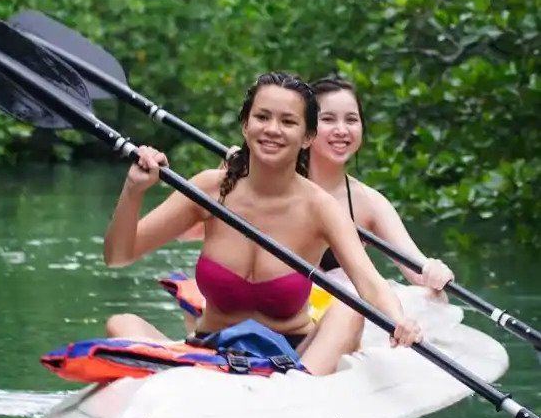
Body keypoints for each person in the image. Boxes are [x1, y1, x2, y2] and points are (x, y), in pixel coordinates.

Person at [103, 72, 421, 375]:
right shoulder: (211, 189)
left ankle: (295, 398)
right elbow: (118, 256)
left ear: (308, 136)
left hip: (292, 359)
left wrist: (398, 320)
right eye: (262, 117)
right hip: (209, 350)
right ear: (245, 125)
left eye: (288, 121)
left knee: (349, 311)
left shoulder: (320, 207)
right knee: (122, 324)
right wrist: (133, 190)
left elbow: (369, 283)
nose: (272, 129)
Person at [308, 76, 458, 346]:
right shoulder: (280, 185)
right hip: (287, 303)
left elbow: (415, 266)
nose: (342, 130)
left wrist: (433, 269)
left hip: (343, 309)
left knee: (432, 298)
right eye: (328, 119)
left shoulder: (369, 202)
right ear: (305, 128)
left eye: (351, 120)